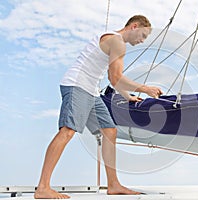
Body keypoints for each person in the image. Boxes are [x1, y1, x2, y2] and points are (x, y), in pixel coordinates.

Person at [34, 15, 163, 199]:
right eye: (143, 35)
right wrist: (145, 88)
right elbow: (115, 78)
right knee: (67, 131)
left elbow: (114, 79)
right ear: (134, 26)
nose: (142, 40)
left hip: (91, 91)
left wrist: (128, 96)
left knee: (110, 131)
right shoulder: (117, 42)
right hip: (77, 85)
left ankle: (113, 185)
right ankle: (43, 187)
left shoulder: (114, 40)